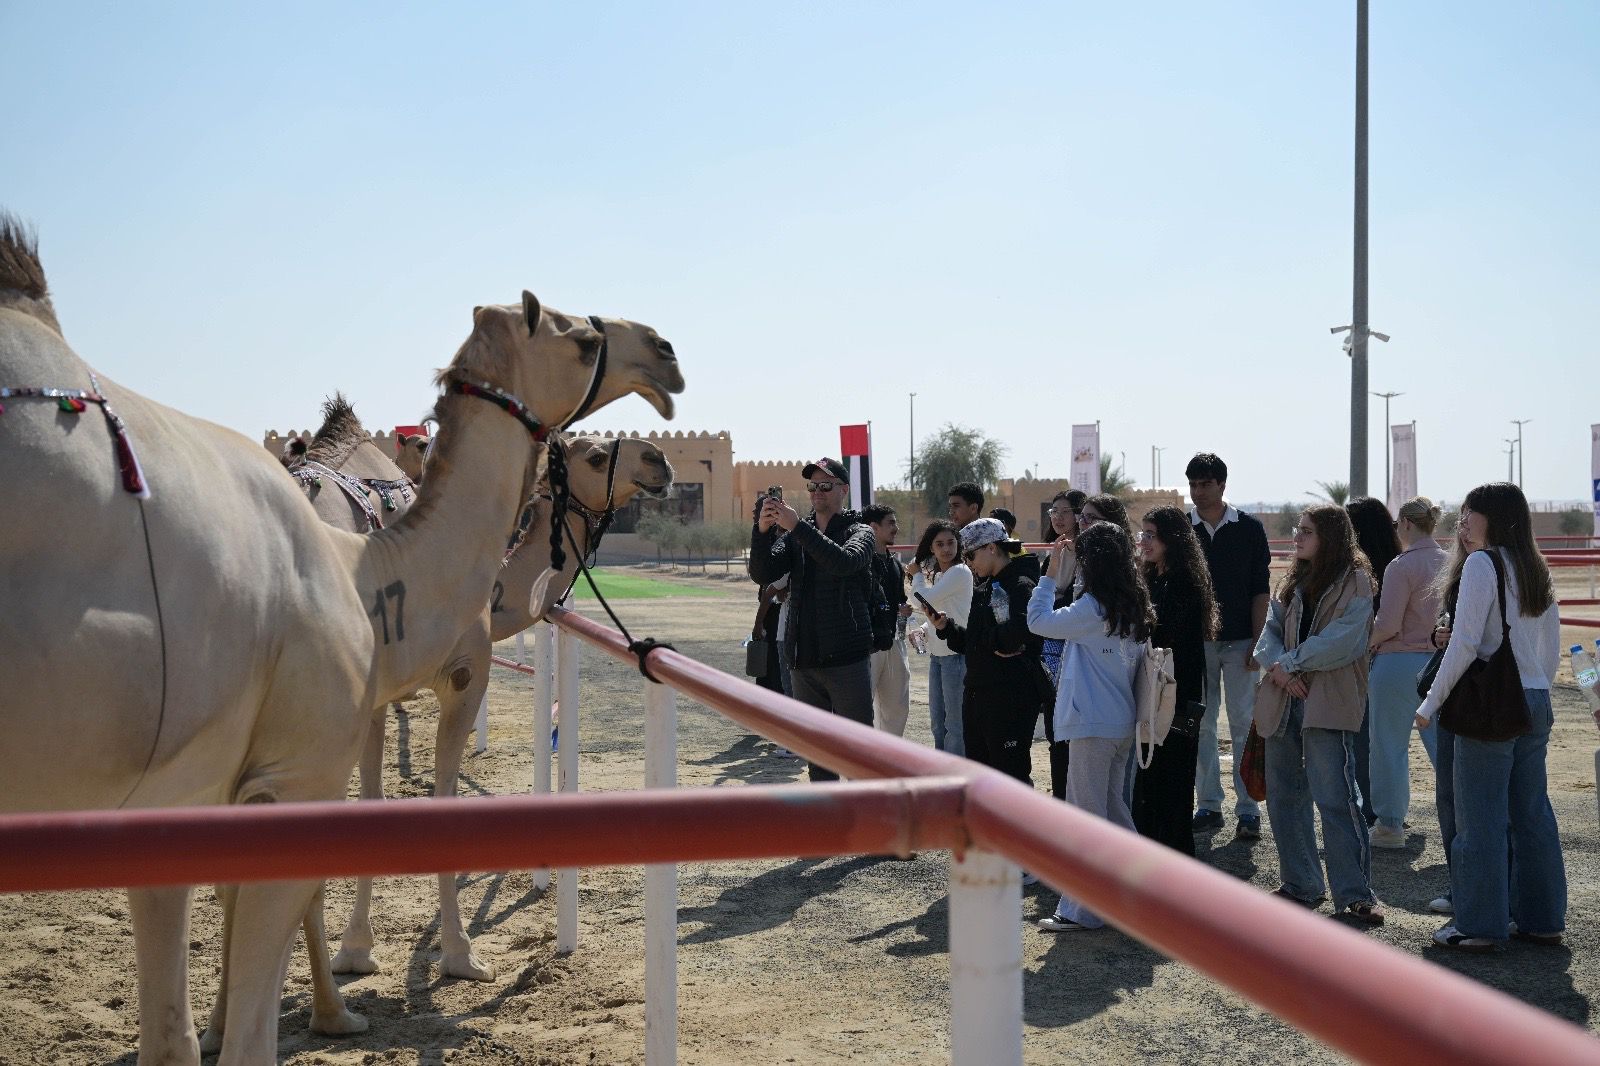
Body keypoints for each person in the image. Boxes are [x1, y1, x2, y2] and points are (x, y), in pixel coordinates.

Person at [1415, 483, 1564, 952]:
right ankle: (1542, 919)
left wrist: (1430, 703)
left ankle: (1478, 924)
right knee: (1532, 816)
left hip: (1491, 707)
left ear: (1494, 518)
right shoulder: (1535, 567)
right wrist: (1537, 687)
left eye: (1469, 514)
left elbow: (1464, 644)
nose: (1461, 524)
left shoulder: (1483, 564)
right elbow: (1552, 646)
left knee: (1478, 818)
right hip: (1534, 699)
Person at [1254, 505, 1383, 925]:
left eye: (1306, 531)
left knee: (1336, 798)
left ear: (1330, 536)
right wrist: (1282, 668)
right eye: (1297, 529)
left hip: (1328, 701)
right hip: (1283, 699)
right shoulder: (1291, 581)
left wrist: (1289, 664)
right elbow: (1268, 636)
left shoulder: (1356, 581)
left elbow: (1344, 641)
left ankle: (1355, 895)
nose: (1297, 536)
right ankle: (1300, 884)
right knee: (1284, 797)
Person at [1027, 522, 1154, 930]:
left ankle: (1082, 910)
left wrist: (1050, 576)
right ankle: (1140, 893)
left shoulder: (1092, 608)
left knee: (1087, 816)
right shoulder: (1132, 604)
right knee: (1113, 812)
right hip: (1119, 722)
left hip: (1092, 724)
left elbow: (1037, 620)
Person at [749, 457, 876, 782]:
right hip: (803, 660)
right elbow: (763, 572)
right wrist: (761, 531)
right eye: (812, 486)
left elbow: (844, 562)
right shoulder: (797, 534)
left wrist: (798, 528)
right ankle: (828, 815)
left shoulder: (859, 531)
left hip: (846, 659)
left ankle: (866, 813)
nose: (817, 492)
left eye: (825, 485)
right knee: (818, 757)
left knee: (859, 752)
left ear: (843, 490)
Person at [1186, 453, 1272, 840]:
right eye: (1193, 484)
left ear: (1222, 484)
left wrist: (1258, 641)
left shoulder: (1249, 529)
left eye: (1205, 483)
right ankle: (1208, 804)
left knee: (1243, 724)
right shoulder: (1182, 530)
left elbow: (1260, 590)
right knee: (1201, 724)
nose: (1198, 491)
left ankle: (1248, 809)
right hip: (1196, 643)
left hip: (1240, 642)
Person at [926, 518, 1043, 784]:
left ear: (992, 548)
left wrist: (988, 642)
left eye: (970, 555)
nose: (968, 562)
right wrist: (947, 628)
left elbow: (1019, 633)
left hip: (1009, 696)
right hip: (979, 694)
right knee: (980, 779)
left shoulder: (1020, 584)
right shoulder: (985, 587)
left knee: (1010, 778)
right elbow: (975, 643)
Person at [1131, 507, 1220, 856]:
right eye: (1143, 534)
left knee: (1172, 788)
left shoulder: (1184, 583)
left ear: (1172, 539)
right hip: (1154, 696)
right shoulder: (1153, 578)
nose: (1144, 541)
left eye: (1151, 535)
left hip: (1175, 699)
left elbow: (1166, 637)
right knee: (1150, 785)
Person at [1365, 496, 1447, 849]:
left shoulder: (1400, 566)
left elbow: (1388, 623)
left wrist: (1364, 643)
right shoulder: (1452, 562)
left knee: (1388, 746)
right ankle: (1459, 818)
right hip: (1441, 663)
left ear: (1407, 524)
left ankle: (1390, 825)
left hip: (1397, 662)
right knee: (1445, 748)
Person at [1347, 496, 1403, 827]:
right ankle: (1391, 808)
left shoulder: (1355, 570)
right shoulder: (1396, 563)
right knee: (1390, 744)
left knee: (1362, 739)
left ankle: (1370, 808)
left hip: (1364, 657)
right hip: (1399, 660)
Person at [1037, 490, 1086, 800]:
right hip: (1051, 645)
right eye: (1053, 511)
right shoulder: (1054, 550)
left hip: (1073, 645)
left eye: (1064, 511)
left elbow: (1071, 599)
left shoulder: (1085, 553)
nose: (1057, 517)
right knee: (1054, 726)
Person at [908, 520, 972, 754]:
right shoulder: (941, 576)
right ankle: (942, 768)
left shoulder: (959, 571)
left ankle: (955, 772)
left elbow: (921, 600)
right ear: (932, 548)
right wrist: (924, 630)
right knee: (938, 723)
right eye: (940, 544)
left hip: (955, 655)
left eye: (951, 543)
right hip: (938, 656)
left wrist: (916, 575)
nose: (946, 549)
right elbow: (937, 612)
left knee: (954, 724)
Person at [863, 503, 912, 738]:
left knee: (897, 706)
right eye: (891, 523)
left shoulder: (894, 564)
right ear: (873, 527)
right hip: (867, 645)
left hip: (894, 641)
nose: (896, 528)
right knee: (862, 707)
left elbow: (899, 599)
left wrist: (903, 610)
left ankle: (888, 754)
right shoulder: (860, 564)